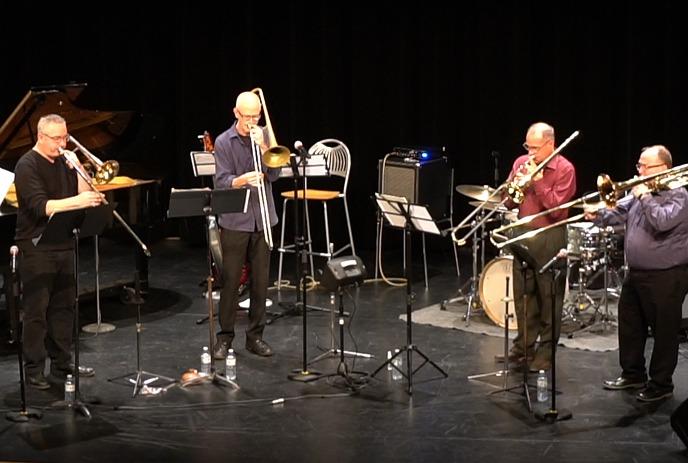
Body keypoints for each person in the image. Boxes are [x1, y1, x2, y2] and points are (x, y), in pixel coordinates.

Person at [586, 145, 688, 402]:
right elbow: (617, 215)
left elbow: (662, 221)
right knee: (630, 325)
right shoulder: (638, 195)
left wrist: (644, 197)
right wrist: (597, 213)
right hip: (637, 273)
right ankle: (633, 374)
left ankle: (661, 384)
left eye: (644, 166)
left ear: (663, 168)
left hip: (666, 275)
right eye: (639, 165)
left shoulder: (680, 195)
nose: (639, 171)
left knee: (665, 332)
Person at [14, 114, 102, 389]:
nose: (62, 143)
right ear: (40, 137)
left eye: (65, 137)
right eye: (56, 138)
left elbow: (85, 196)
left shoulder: (66, 162)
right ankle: (34, 369)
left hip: (63, 243)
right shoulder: (27, 164)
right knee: (36, 311)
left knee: (64, 308)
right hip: (36, 246)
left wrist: (81, 171)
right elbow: (43, 207)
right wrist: (78, 200)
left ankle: (62, 363)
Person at [499, 122, 577, 371]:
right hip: (523, 232)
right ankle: (523, 347)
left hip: (550, 235)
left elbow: (557, 210)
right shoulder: (521, 162)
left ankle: (545, 354)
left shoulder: (565, 169)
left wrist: (539, 182)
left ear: (550, 144)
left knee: (548, 298)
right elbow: (508, 202)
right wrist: (517, 188)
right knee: (524, 295)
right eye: (527, 146)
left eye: (535, 148)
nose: (530, 153)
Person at [212, 91, 280, 358]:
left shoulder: (265, 136)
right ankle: (225, 337)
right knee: (230, 281)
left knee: (261, 282)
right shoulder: (223, 142)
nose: (252, 121)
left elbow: (274, 174)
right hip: (235, 220)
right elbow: (221, 181)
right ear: (236, 113)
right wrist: (242, 180)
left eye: (256, 116)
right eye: (247, 116)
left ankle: (255, 337)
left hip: (263, 219)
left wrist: (264, 147)